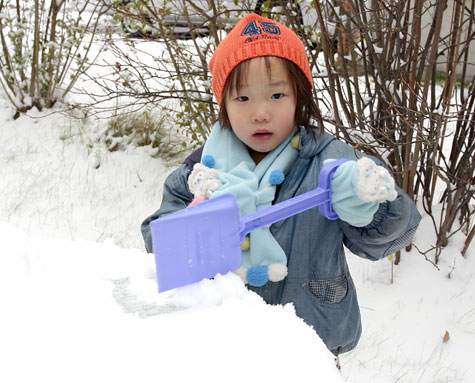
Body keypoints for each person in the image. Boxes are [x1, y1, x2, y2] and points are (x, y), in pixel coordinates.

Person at [141, 13, 421, 356]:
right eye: (243, 99)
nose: (260, 113)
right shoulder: (203, 169)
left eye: (276, 95)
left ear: (298, 98)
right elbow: (158, 238)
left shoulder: (329, 160)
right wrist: (190, 223)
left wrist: (368, 200)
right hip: (222, 343)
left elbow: (391, 236)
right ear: (224, 105)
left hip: (309, 342)